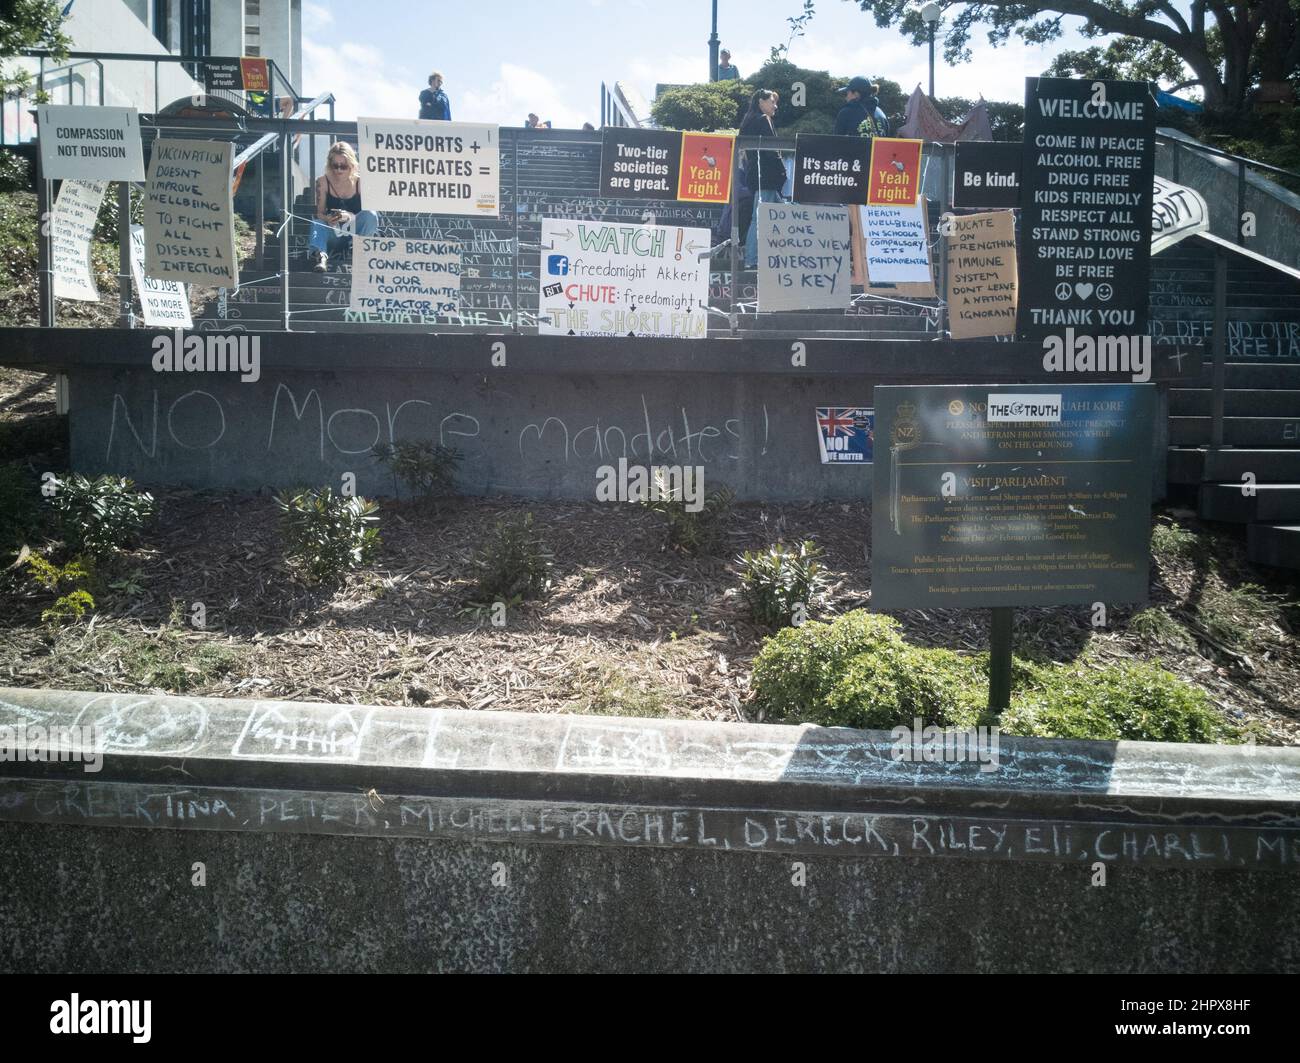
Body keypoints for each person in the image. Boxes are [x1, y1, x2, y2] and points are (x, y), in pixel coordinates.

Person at [308, 142, 379, 272]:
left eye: (343, 166)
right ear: (330, 164)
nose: (339, 170)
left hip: (355, 233)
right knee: (317, 223)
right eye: (335, 166)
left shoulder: (360, 182)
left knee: (371, 214)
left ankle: (360, 252)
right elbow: (319, 213)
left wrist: (349, 216)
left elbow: (369, 215)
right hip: (334, 232)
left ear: (351, 165)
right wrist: (328, 218)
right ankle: (321, 258)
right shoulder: (323, 182)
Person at [739, 89, 786, 269]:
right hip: (767, 176)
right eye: (772, 102)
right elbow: (772, 150)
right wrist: (783, 171)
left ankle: (769, 257)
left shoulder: (749, 121)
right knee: (759, 218)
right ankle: (751, 260)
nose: (775, 106)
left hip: (757, 175)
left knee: (781, 217)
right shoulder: (763, 120)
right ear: (761, 102)